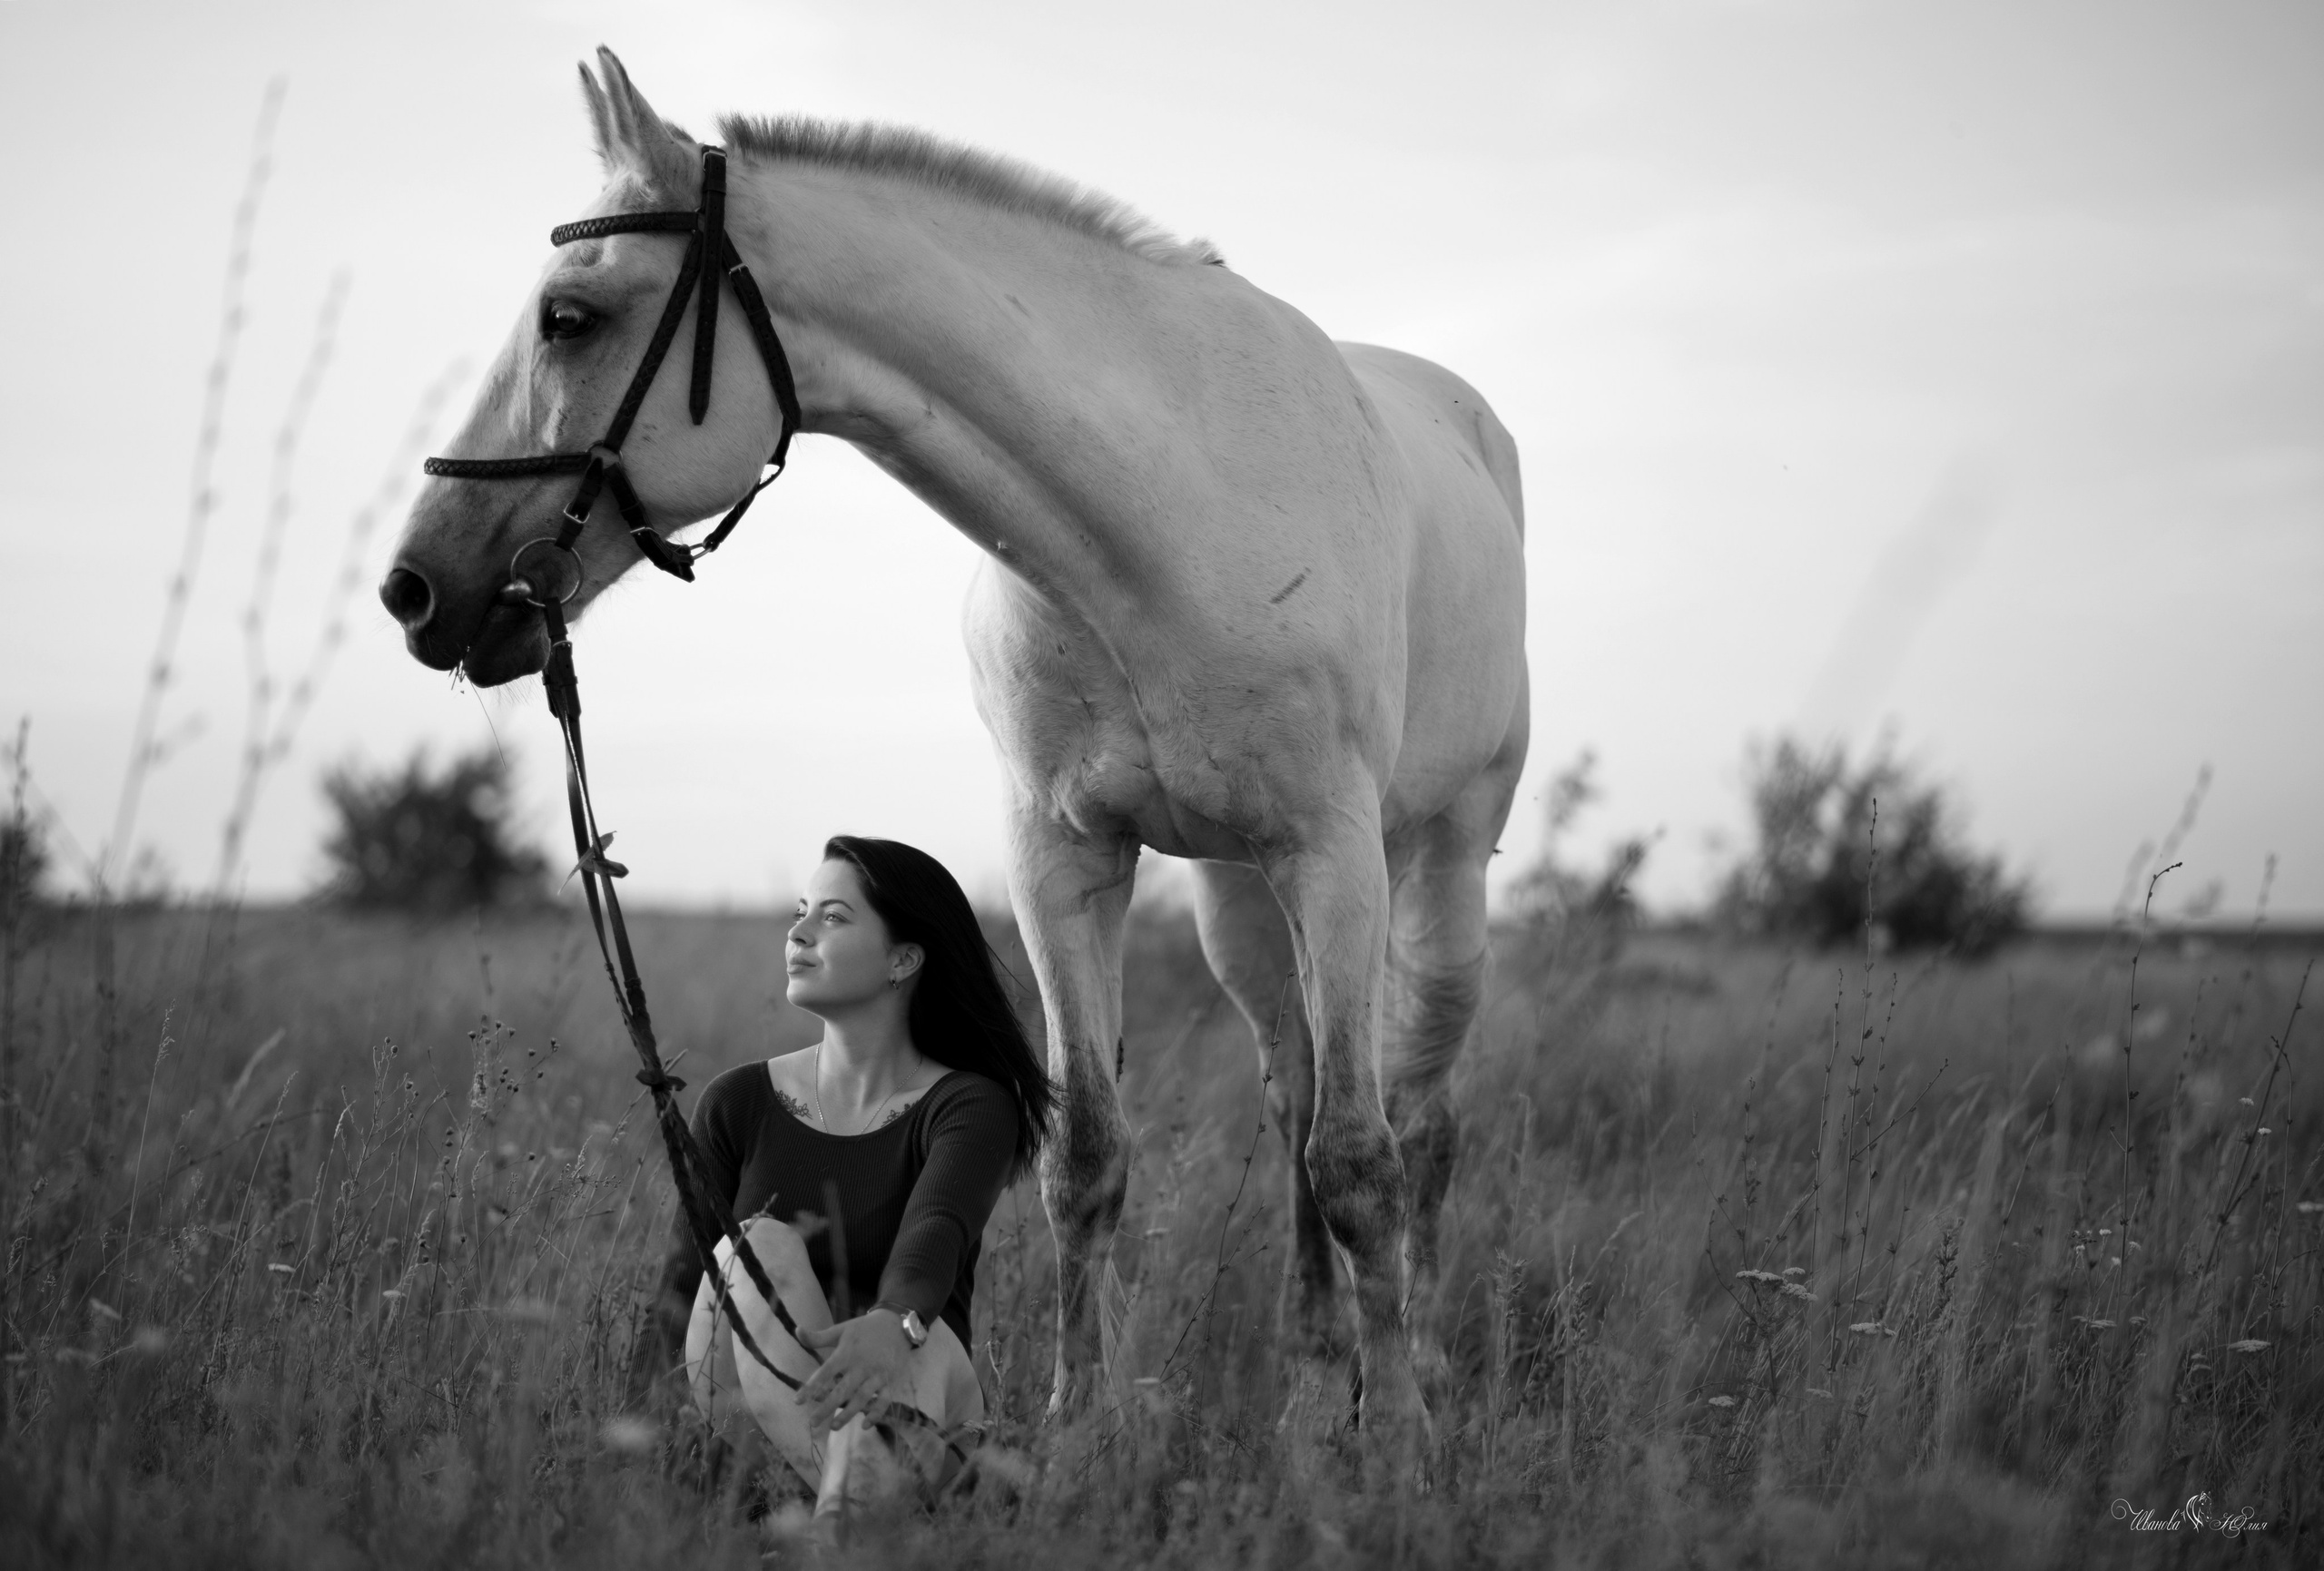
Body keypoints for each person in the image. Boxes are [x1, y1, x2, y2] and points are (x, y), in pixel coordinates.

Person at [660, 835, 1051, 1517]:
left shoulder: (968, 1104)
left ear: (903, 959)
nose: (798, 932)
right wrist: (636, 1447)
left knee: (916, 1339)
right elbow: (679, 1287)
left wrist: (893, 1319)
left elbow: (938, 1225)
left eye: (833, 917)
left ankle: (847, 1507)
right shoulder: (737, 1102)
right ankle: (880, 1500)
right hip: (746, 1403)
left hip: (912, 1383)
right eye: (800, 912)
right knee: (758, 1243)